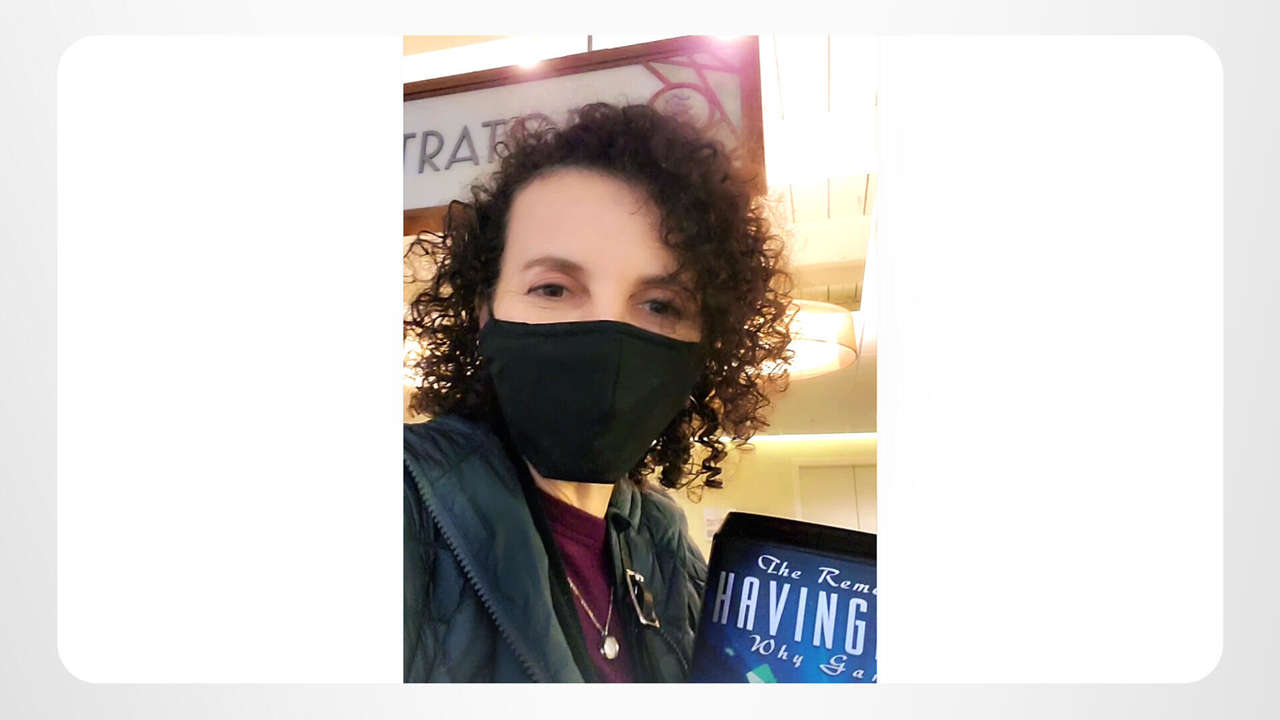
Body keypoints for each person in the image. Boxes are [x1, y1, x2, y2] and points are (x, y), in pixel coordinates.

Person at [403, 102, 793, 682]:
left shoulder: (668, 549)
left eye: (659, 304)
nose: (607, 332)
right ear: (485, 311)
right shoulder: (405, 505)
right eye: (553, 289)